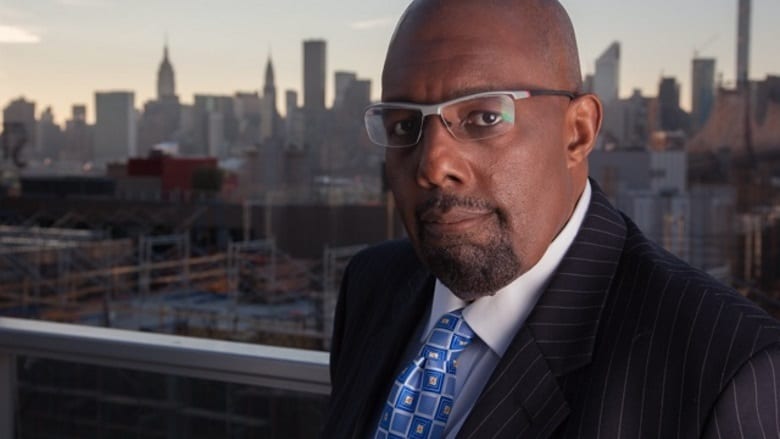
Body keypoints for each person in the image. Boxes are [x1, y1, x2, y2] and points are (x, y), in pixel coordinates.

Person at [322, 0, 780, 437]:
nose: (433, 164)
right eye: (404, 125)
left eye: (484, 116)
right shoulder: (373, 285)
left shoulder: (727, 368)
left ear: (577, 132)